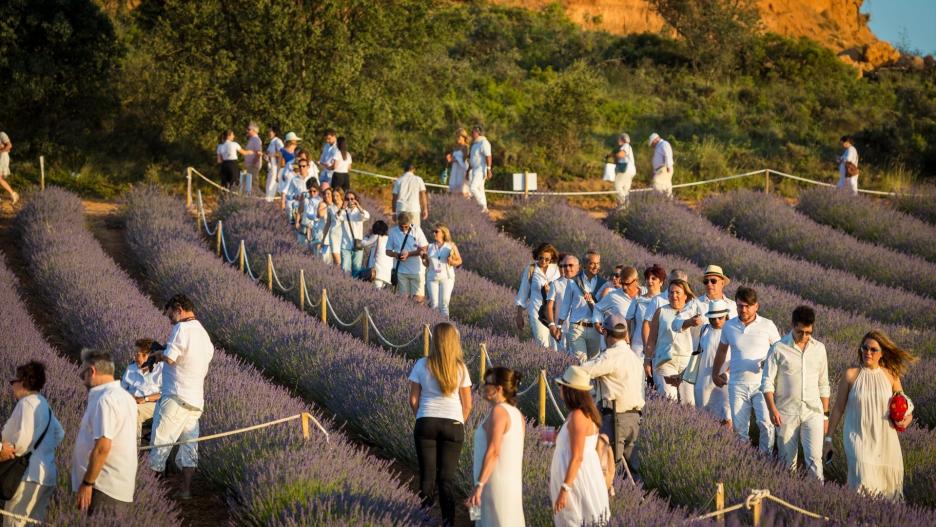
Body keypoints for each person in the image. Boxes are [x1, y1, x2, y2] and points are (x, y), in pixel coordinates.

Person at [824, 331, 915, 499]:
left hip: (885, 442)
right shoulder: (851, 375)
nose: (868, 352)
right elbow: (838, 409)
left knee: (887, 492)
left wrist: (907, 420)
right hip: (858, 439)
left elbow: (905, 404)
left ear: (882, 353)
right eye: (865, 348)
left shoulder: (891, 376)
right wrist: (828, 439)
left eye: (873, 349)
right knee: (863, 483)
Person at [146, 294, 214, 500]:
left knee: (159, 446)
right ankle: (185, 491)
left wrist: (156, 355)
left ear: (178, 309)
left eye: (170, 316)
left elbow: (170, 358)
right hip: (195, 401)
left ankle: (150, 495)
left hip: (175, 397)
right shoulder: (203, 333)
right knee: (189, 449)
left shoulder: (181, 328)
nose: (170, 320)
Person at [408, 322, 472, 526]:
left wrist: (422, 417)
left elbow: (413, 400)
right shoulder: (461, 368)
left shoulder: (421, 364)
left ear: (434, 341)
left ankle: (424, 518)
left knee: (427, 475)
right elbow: (468, 404)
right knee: (446, 478)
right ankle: (448, 522)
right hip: (453, 424)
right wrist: (458, 421)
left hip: (426, 421)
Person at [762, 306, 830, 481]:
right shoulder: (778, 348)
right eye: (800, 332)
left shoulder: (819, 349)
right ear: (792, 325)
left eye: (808, 332)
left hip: (813, 412)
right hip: (786, 412)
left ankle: (817, 500)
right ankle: (788, 500)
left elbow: (824, 384)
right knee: (786, 462)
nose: (805, 337)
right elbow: (767, 383)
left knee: (815, 459)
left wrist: (825, 416)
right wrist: (772, 410)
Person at [712, 286, 781, 454]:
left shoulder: (767, 325)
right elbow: (721, 350)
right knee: (740, 429)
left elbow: (780, 351)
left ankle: (766, 460)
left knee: (766, 424)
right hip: (737, 384)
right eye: (739, 306)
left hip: (763, 386)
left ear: (756, 306)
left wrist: (769, 362)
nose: (743, 309)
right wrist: (715, 373)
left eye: (747, 306)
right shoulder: (729, 326)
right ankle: (744, 460)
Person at [72, 349, 137, 514]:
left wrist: (87, 483)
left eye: (83, 375)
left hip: (104, 488)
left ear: (92, 371)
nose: (83, 380)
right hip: (115, 487)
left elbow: (103, 446)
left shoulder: (106, 400)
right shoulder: (125, 397)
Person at [1, 362, 65, 525]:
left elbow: (22, 442)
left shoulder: (26, 403)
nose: (12, 386)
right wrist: (44, 452)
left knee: (14, 521)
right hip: (47, 475)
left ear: (22, 382)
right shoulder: (44, 404)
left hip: (27, 476)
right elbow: (60, 433)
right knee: (33, 522)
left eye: (13, 382)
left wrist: (7, 451)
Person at [580, 315, 644, 473]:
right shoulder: (634, 358)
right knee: (632, 470)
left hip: (615, 418)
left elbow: (584, 371)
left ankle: (612, 496)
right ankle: (635, 497)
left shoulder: (610, 356)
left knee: (608, 467)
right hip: (635, 419)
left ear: (606, 334)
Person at [549, 366, 610, 526]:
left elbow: (577, 456)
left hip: (577, 482)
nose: (560, 389)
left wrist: (564, 489)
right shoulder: (580, 414)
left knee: (575, 519)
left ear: (571, 391)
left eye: (562, 385)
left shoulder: (578, 416)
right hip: (579, 476)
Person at [466, 367, 525, 527]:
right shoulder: (517, 414)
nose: (484, 386)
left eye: (488, 383)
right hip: (509, 484)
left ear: (498, 389)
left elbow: (494, 451)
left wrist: (479, 486)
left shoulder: (499, 412)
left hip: (492, 484)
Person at [645, 278, 696, 405]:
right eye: (671, 292)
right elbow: (652, 338)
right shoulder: (661, 311)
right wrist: (647, 360)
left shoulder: (692, 312)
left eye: (678, 292)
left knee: (688, 404)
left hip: (687, 363)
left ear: (685, 295)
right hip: (665, 361)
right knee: (668, 400)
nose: (674, 296)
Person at [556, 250, 607, 361]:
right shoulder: (573, 282)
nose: (596, 266)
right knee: (581, 361)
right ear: (584, 264)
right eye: (592, 263)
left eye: (598, 263)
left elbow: (604, 307)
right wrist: (559, 326)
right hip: (576, 327)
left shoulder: (603, 284)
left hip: (595, 329)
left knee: (593, 362)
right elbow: (565, 305)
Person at [515, 243, 561, 349]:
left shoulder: (557, 270)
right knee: (543, 344)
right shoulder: (531, 269)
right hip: (536, 313)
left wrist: (551, 290)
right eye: (541, 258)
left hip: (555, 313)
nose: (543, 261)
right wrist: (519, 315)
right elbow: (523, 292)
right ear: (537, 256)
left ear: (552, 258)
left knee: (557, 345)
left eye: (547, 259)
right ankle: (544, 365)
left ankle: (557, 365)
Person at [694, 300, 732, 427]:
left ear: (726, 315)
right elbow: (696, 354)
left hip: (725, 380)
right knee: (704, 418)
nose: (717, 321)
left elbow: (739, 356)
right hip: (703, 379)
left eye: (720, 318)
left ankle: (730, 446)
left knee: (726, 417)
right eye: (713, 318)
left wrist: (727, 373)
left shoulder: (732, 331)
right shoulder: (704, 330)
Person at [120, 339, 163, 444]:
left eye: (137, 353)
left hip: (152, 404)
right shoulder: (131, 368)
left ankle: (134, 451)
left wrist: (144, 399)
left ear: (147, 355)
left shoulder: (161, 369)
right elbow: (122, 388)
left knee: (134, 411)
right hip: (131, 401)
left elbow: (164, 393)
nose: (134, 356)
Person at [625, 264, 666, 360]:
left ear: (661, 282)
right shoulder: (637, 300)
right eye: (647, 278)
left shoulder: (666, 302)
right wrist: (627, 343)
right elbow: (627, 322)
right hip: (637, 347)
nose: (649, 281)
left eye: (653, 278)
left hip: (659, 346)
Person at [386, 211, 429, 301]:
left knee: (418, 299)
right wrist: (396, 255)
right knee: (403, 299)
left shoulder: (416, 230)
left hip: (417, 271)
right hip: (401, 271)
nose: (404, 229)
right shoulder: (393, 231)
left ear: (410, 223)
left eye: (406, 226)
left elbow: (424, 247)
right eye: (401, 226)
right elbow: (388, 251)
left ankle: (418, 315)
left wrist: (409, 254)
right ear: (398, 223)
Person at [422, 224, 462, 317]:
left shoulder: (451, 246)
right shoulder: (430, 247)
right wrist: (423, 258)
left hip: (447, 278)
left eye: (436, 231)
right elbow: (427, 264)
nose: (434, 233)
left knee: (444, 304)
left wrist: (452, 261)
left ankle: (445, 328)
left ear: (443, 233)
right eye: (433, 231)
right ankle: (435, 327)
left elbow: (459, 261)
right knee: (434, 304)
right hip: (432, 277)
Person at [546, 254, 579, 353]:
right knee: (563, 359)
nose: (567, 268)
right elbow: (549, 305)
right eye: (564, 266)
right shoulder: (556, 284)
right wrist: (552, 325)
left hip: (579, 329)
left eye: (570, 265)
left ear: (577, 267)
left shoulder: (582, 283)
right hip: (562, 330)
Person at [338, 190, 370, 277]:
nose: (350, 201)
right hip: (346, 245)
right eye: (347, 199)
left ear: (356, 199)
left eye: (352, 199)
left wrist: (358, 206)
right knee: (345, 269)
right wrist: (342, 208)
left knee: (356, 269)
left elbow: (367, 216)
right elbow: (337, 217)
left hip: (357, 245)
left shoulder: (359, 212)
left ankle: (354, 287)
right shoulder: (343, 212)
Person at [392, 162, 429, 229]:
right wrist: (425, 209)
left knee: (400, 232)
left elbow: (394, 198)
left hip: (401, 208)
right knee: (414, 231)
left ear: (404, 170)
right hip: (414, 208)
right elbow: (423, 195)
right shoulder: (418, 179)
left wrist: (394, 212)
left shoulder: (399, 180)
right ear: (413, 170)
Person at [467, 125, 493, 212]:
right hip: (474, 169)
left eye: (473, 132)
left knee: (473, 188)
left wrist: (489, 169)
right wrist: (468, 170)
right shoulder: (474, 144)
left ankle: (481, 205)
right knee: (480, 189)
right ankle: (485, 208)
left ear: (478, 132)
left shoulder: (484, 142)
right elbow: (472, 158)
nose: (472, 133)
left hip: (481, 169)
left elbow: (488, 156)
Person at [363, 220, 393, 289]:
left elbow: (364, 243)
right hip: (387, 272)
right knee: (380, 292)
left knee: (375, 291)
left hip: (377, 271)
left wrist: (368, 235)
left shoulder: (376, 236)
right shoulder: (389, 238)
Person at [276, 132, 301, 204]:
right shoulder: (282, 150)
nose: (296, 141)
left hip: (295, 171)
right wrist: (277, 174)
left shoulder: (297, 149)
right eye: (294, 140)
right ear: (291, 140)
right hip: (285, 171)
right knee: (284, 191)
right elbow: (279, 163)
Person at [613, 133, 637, 208]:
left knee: (618, 185)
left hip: (626, 169)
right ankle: (625, 207)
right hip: (631, 170)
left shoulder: (626, 146)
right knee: (626, 188)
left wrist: (613, 155)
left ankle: (624, 203)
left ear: (622, 139)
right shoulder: (628, 147)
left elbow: (621, 155)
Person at [321, 188, 343, 265]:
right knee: (337, 259)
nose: (335, 198)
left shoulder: (346, 207)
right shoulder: (330, 207)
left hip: (344, 236)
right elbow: (328, 223)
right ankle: (337, 274)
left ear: (341, 196)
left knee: (343, 259)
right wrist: (323, 238)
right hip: (333, 235)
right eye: (333, 196)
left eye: (337, 195)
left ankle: (339, 275)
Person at [648, 132, 674, 198]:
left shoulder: (664, 144)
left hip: (664, 168)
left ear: (655, 140)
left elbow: (668, 154)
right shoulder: (660, 146)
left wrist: (668, 166)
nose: (652, 146)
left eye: (652, 143)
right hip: (661, 169)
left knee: (656, 183)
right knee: (666, 187)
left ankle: (660, 201)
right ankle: (668, 202)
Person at [446, 128, 470, 197]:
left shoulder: (466, 147)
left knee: (462, 191)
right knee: (453, 190)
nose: (457, 138)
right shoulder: (455, 147)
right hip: (455, 169)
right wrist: (449, 158)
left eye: (459, 136)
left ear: (463, 137)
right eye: (456, 136)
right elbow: (452, 158)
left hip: (461, 169)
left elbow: (465, 160)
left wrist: (455, 160)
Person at [241, 122, 263, 194]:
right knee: (248, 184)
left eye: (249, 129)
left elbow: (259, 153)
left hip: (253, 166)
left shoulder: (256, 139)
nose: (247, 131)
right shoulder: (251, 139)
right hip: (249, 166)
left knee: (253, 184)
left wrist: (254, 163)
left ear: (254, 130)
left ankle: (259, 201)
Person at [264, 127, 284, 202]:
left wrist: (271, 155)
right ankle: (268, 202)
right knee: (268, 186)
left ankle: (269, 203)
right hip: (270, 166)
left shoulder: (277, 141)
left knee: (271, 186)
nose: (269, 133)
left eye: (270, 131)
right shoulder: (271, 142)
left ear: (275, 133)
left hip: (275, 166)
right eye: (268, 131)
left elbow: (282, 153)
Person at [0, 130, 19, 205]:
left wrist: (1, 150)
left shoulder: (2, 134)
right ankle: (13, 194)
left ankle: (14, 194)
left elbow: (9, 146)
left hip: (3, 157)